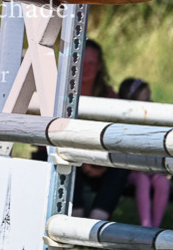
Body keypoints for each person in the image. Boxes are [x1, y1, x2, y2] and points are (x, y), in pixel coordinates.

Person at [73, 40, 129, 220]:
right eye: (82, 62)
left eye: (91, 63)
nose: (86, 68)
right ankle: (73, 218)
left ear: (99, 67)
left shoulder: (109, 96)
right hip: (70, 153)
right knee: (65, 160)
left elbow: (118, 134)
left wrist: (101, 162)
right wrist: (84, 159)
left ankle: (98, 221)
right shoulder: (62, 93)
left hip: (100, 159)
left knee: (120, 166)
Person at [118, 78, 170, 227]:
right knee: (142, 180)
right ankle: (145, 225)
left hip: (152, 168)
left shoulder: (153, 122)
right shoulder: (125, 125)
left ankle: (156, 226)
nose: (151, 102)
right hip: (132, 171)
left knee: (163, 182)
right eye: (146, 99)